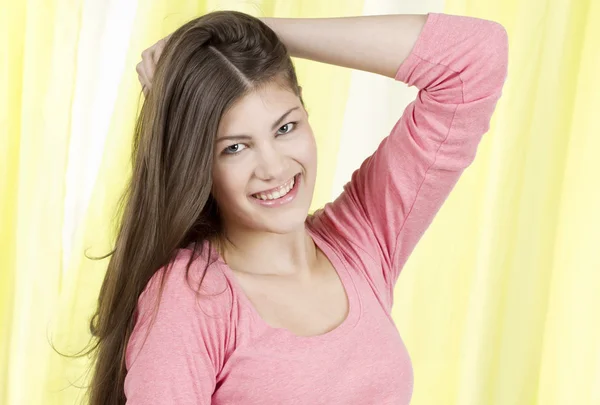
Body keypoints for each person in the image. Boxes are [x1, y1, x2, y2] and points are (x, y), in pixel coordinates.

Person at [86, 9, 508, 405]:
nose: (273, 167)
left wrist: (256, 32)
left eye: (285, 127)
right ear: (198, 163)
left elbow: (473, 59)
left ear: (307, 114)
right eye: (235, 148)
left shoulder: (361, 238)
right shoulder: (191, 299)